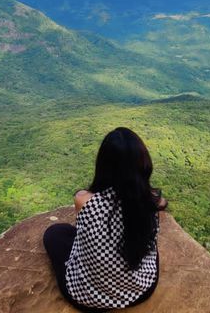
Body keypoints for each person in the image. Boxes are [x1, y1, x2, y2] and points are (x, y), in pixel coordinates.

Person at [43, 127, 168, 312]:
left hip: (88, 297)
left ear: (103, 165)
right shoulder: (153, 201)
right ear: (143, 164)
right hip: (141, 290)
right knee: (146, 241)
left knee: (55, 233)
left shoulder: (84, 200)